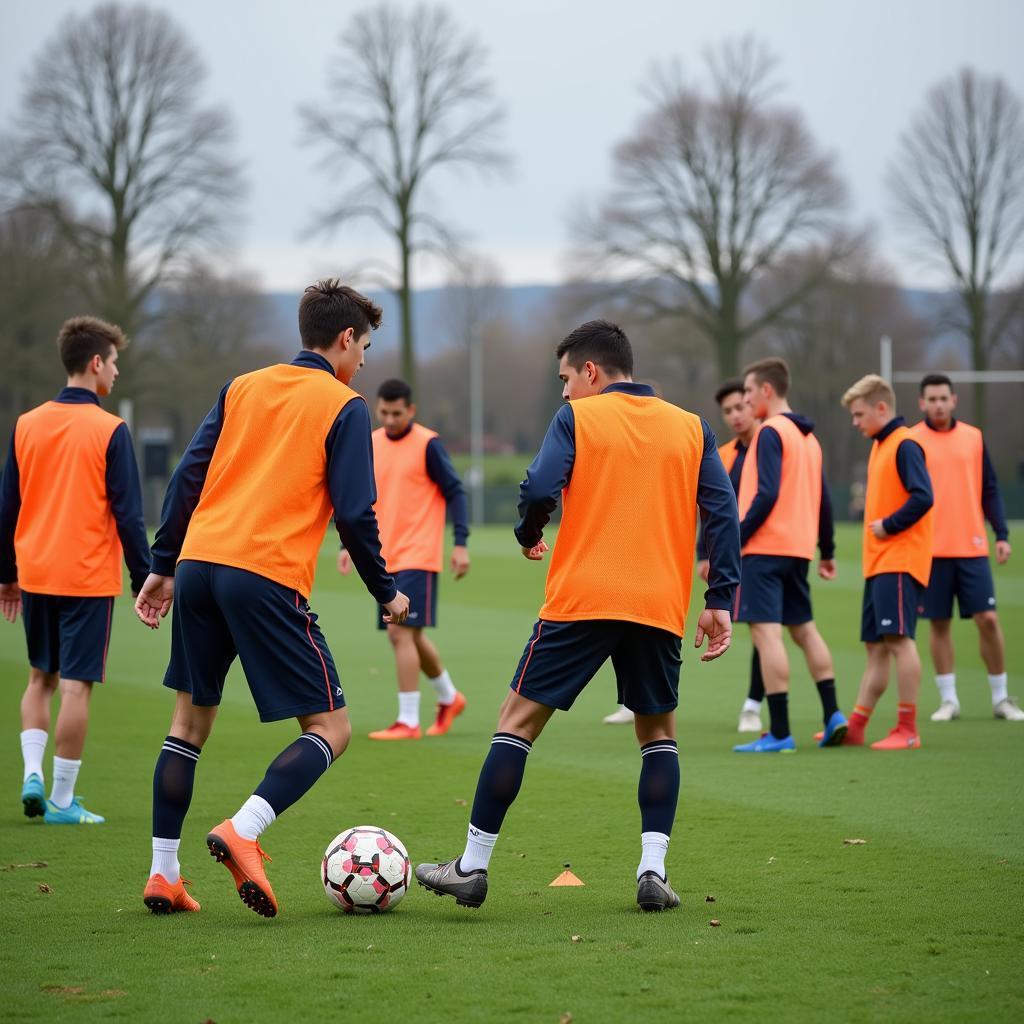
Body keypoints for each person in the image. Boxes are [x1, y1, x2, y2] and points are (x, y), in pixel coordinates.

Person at [414, 320, 739, 913]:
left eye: (566, 378)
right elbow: (722, 511)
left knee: (516, 721)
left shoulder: (578, 418)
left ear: (591, 371)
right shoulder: (693, 428)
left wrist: (529, 529)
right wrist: (721, 598)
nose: (562, 391)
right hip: (658, 605)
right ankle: (652, 869)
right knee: (657, 734)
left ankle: (473, 866)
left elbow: (540, 484)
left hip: (582, 598)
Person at [135, 280, 408, 917]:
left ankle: (163, 873)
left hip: (200, 563)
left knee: (187, 725)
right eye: (363, 346)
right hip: (263, 573)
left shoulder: (242, 386)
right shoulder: (344, 405)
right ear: (345, 340)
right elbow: (357, 513)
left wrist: (163, 564)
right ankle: (244, 830)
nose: (363, 360)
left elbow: (187, 476)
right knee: (331, 729)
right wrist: (387, 593)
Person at [0, 316, 149, 824]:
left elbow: (6, 508)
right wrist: (143, 577)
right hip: (86, 577)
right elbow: (129, 515)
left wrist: (6, 575)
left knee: (39, 677)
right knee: (75, 687)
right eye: (113, 362)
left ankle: (31, 773)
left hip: (35, 573)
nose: (116, 372)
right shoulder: (110, 429)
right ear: (94, 363)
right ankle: (62, 800)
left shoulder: (26, 423)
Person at [602, 379, 764, 731]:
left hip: (761, 551)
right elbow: (713, 508)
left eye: (741, 407)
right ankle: (630, 700)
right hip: (726, 549)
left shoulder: (769, 444)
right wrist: (705, 553)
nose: (735, 415)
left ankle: (756, 708)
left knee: (768, 633)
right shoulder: (724, 451)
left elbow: (730, 507)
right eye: (728, 410)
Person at [339, 378, 470, 740]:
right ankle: (449, 697)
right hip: (384, 557)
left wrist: (460, 543)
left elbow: (455, 491)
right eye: (384, 412)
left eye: (398, 413)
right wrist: (346, 545)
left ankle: (408, 721)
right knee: (409, 635)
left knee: (400, 633)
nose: (390, 418)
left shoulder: (428, 444)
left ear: (410, 410)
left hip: (419, 553)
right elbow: (357, 501)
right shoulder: (371, 443)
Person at [732, 358, 845, 753]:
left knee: (767, 635)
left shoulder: (769, 433)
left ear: (766, 390)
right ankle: (833, 714)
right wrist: (826, 549)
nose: (745, 401)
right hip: (798, 549)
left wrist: (734, 536)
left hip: (764, 549)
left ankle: (779, 732)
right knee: (805, 630)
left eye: (748, 392)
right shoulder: (809, 439)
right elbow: (824, 500)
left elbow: (766, 494)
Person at [910, 374, 1021, 722]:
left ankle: (1001, 698)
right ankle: (949, 700)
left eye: (944, 398)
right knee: (939, 624)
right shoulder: (912, 440)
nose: (938, 404)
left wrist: (1001, 533)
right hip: (930, 550)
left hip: (972, 547)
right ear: (922, 403)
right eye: (932, 398)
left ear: (954, 400)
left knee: (988, 619)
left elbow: (989, 488)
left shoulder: (973, 437)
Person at [842, 374, 933, 749]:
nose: (855, 422)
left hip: (898, 560)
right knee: (876, 647)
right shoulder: (881, 444)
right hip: (879, 563)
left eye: (859, 414)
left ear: (882, 408)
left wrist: (889, 525)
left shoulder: (905, 443)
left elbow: (923, 496)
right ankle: (857, 726)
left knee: (898, 641)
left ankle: (908, 729)